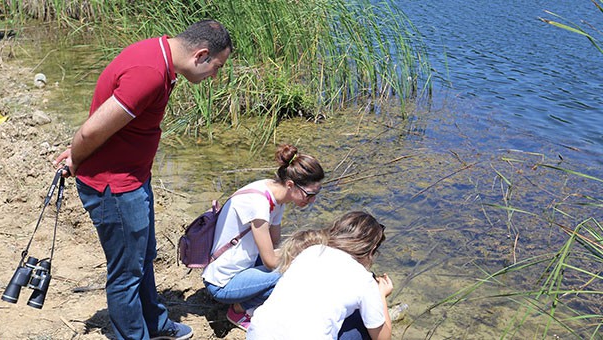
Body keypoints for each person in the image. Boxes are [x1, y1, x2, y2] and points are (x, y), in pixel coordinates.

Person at [52, 20, 233, 340]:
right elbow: (91, 131)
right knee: (126, 272)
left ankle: (155, 323)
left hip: (132, 178)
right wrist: (77, 158)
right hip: (115, 187)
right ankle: (134, 335)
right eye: (216, 67)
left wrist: (82, 150)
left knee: (142, 256)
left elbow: (103, 121)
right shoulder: (149, 73)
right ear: (201, 55)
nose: (214, 76)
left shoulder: (160, 53)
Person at [201, 143, 325, 331]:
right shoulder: (259, 204)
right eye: (310, 194)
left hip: (241, 267)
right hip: (222, 282)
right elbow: (269, 260)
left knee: (293, 266)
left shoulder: (275, 195)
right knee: (293, 274)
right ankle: (238, 310)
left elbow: (275, 242)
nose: (312, 200)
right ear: (290, 185)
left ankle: (249, 297)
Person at [247, 211, 394, 340]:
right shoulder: (364, 279)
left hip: (257, 334)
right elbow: (383, 338)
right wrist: (380, 295)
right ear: (372, 248)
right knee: (363, 324)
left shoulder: (312, 251)